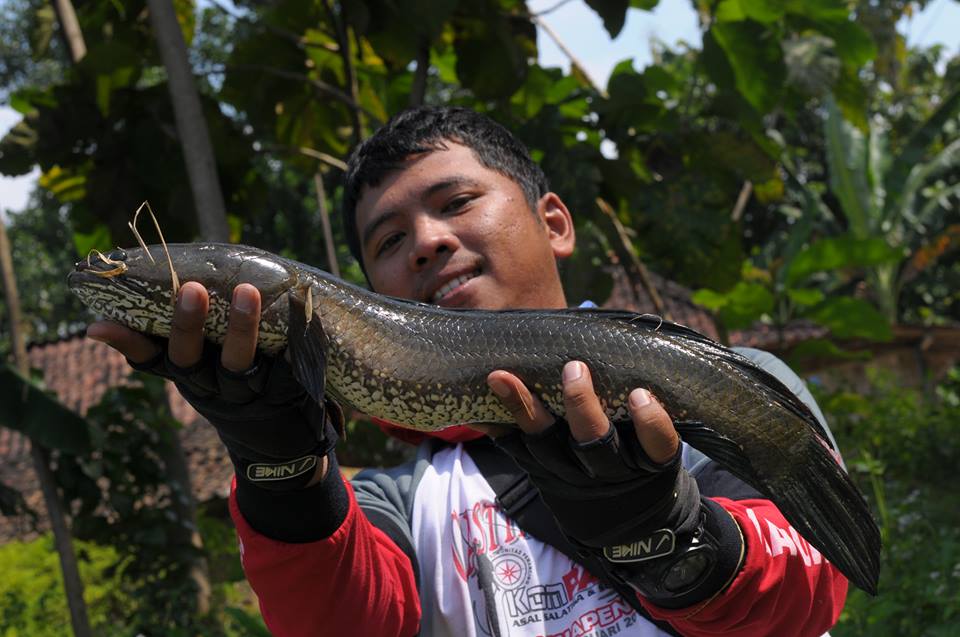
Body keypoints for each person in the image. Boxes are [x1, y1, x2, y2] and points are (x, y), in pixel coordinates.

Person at [89, 106, 848, 636]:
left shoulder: (728, 388)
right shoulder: (397, 503)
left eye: (457, 201)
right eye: (388, 241)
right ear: (373, 289)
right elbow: (340, 624)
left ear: (553, 221)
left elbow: (807, 601)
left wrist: (669, 534)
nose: (426, 242)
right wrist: (280, 468)